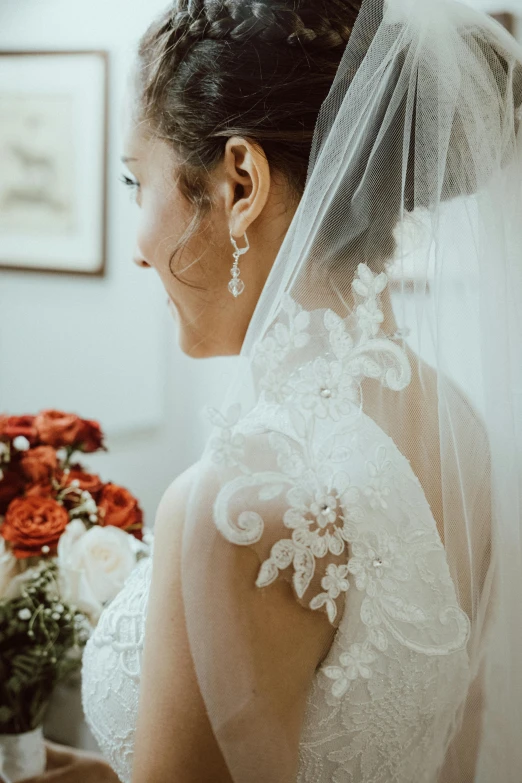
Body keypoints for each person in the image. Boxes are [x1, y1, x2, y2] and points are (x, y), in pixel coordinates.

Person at [19, 0, 522, 780]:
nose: (141, 251)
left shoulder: (235, 500)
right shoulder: (455, 424)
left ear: (241, 182)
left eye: (135, 180)